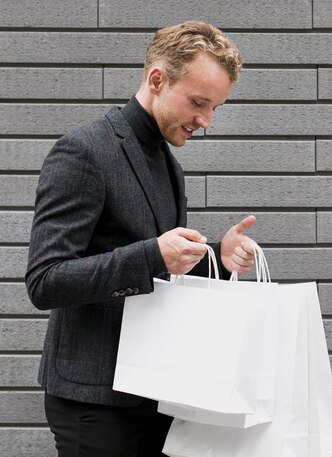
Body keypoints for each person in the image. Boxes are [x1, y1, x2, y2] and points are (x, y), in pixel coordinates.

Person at [25, 21, 254, 456]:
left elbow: (163, 269)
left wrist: (216, 260)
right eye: (198, 103)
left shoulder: (169, 164)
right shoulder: (83, 151)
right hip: (95, 402)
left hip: (155, 392)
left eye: (215, 108)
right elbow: (45, 281)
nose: (205, 121)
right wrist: (152, 255)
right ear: (156, 79)